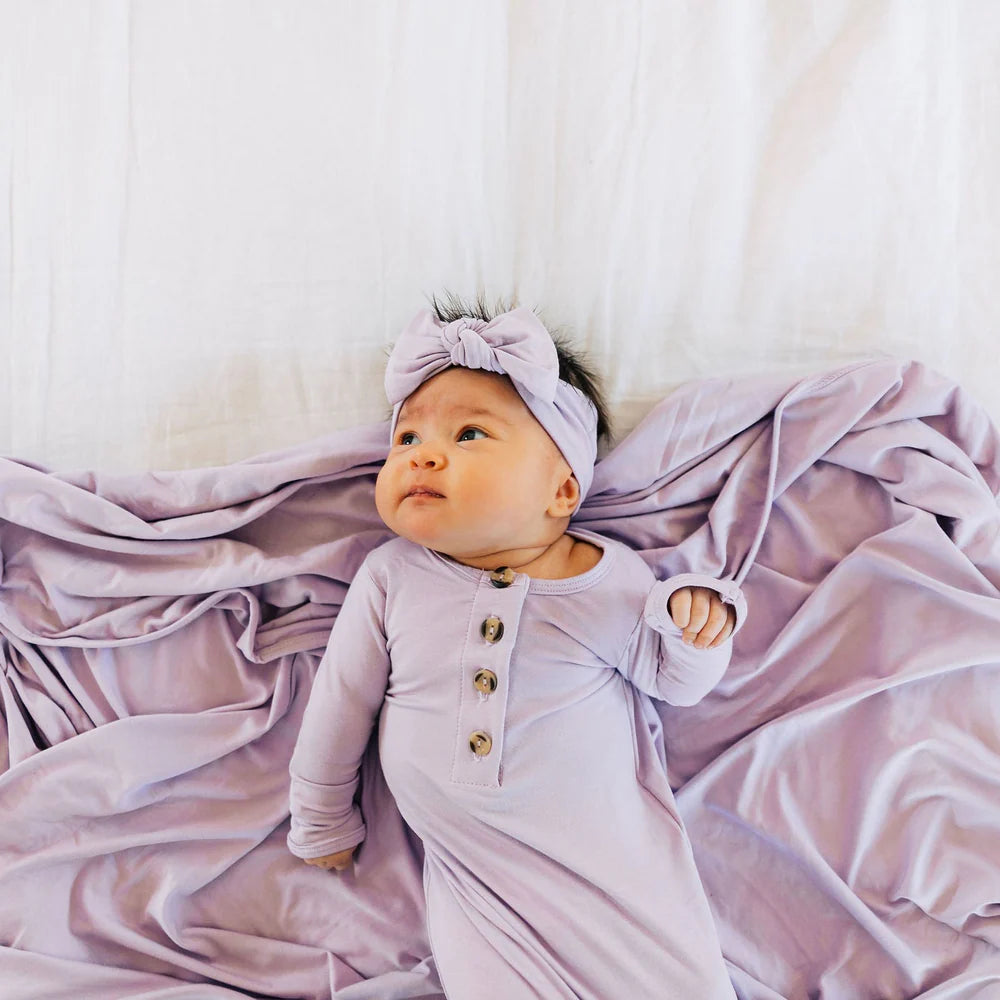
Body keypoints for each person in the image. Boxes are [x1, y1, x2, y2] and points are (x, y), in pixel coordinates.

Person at [287, 295, 745, 998]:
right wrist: (321, 818)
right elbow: (340, 705)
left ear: (561, 488)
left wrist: (696, 626)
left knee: (669, 976)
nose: (423, 455)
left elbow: (674, 680)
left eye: (469, 435)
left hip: (603, 861)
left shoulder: (608, 577)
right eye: (406, 440)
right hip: (475, 872)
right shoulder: (392, 577)